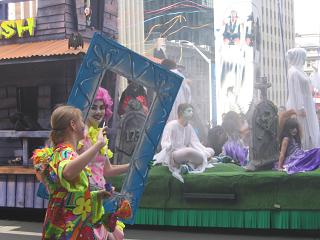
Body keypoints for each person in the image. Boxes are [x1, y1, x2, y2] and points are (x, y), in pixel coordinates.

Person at [32, 105, 113, 239]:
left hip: (64, 222)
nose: (84, 125)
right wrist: (98, 145)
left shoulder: (61, 151)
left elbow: (68, 194)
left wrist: (96, 195)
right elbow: (68, 173)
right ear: (73, 125)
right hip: (67, 226)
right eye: (81, 121)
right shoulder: (65, 151)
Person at [78, 87, 129, 240]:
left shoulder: (101, 136)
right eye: (94, 107)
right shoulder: (80, 135)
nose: (98, 111)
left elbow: (107, 170)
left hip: (100, 196)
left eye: (102, 107)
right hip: (84, 197)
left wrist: (133, 166)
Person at [153, 103, 214, 183]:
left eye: (192, 111)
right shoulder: (171, 125)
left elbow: (195, 143)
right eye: (189, 111)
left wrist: (203, 150)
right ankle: (192, 163)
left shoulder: (189, 127)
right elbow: (165, 142)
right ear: (181, 112)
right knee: (188, 152)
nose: (191, 113)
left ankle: (188, 165)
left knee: (211, 150)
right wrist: (169, 146)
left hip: (187, 152)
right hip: (174, 154)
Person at [286, 48, 319, 149]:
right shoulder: (293, 72)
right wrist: (300, 108)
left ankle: (312, 149)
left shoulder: (300, 71)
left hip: (307, 103)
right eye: (303, 57)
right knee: (303, 128)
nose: (305, 60)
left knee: (310, 128)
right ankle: (304, 149)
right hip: (300, 105)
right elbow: (296, 91)